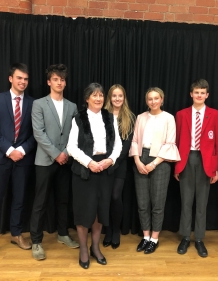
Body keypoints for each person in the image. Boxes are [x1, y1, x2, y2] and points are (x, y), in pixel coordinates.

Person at [0, 63, 36, 262]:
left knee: (19, 200)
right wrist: (10, 150)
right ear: (11, 78)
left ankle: (16, 234)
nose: (23, 82)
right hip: (0, 159)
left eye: (26, 79)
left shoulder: (32, 103)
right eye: (19, 78)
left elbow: (35, 134)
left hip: (23, 160)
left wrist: (21, 150)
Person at [67, 83, 122, 269]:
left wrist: (111, 160)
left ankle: (95, 248)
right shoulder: (78, 118)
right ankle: (83, 249)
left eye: (100, 95)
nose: (98, 99)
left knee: (100, 211)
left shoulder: (110, 117)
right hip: (84, 170)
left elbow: (118, 145)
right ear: (87, 98)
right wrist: (89, 162)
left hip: (105, 168)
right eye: (94, 95)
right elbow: (71, 147)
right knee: (84, 212)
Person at [30, 64, 79, 261]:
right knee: (40, 202)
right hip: (44, 160)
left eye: (62, 80)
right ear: (49, 82)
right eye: (56, 79)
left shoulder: (72, 106)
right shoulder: (39, 104)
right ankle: (36, 240)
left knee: (63, 200)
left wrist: (65, 153)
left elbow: (75, 134)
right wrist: (55, 154)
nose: (60, 83)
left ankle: (63, 233)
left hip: (65, 161)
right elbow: (38, 133)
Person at [174, 79, 218, 257]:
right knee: (186, 201)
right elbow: (177, 141)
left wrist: (215, 168)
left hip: (206, 161)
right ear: (191, 94)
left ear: (207, 95)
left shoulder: (216, 115)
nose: (199, 95)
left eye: (202, 93)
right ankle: (186, 236)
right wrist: (177, 167)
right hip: (186, 160)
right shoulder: (181, 115)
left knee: (202, 202)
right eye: (196, 92)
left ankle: (200, 238)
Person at [129, 87, 180, 254]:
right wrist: (137, 160)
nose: (153, 101)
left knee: (158, 203)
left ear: (162, 99)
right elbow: (135, 140)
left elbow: (170, 143)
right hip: (141, 158)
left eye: (156, 98)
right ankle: (145, 236)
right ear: (146, 101)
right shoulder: (140, 117)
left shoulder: (169, 118)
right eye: (150, 99)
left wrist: (154, 164)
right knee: (142, 203)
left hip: (161, 160)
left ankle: (154, 238)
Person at [102, 84, 136, 249]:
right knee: (105, 198)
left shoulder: (130, 117)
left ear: (124, 98)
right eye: (114, 96)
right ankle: (107, 230)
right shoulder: (102, 115)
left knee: (116, 197)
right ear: (109, 97)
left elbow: (127, 145)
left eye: (120, 96)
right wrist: (105, 162)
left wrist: (113, 163)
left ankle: (116, 230)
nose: (117, 99)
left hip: (119, 165)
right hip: (102, 164)